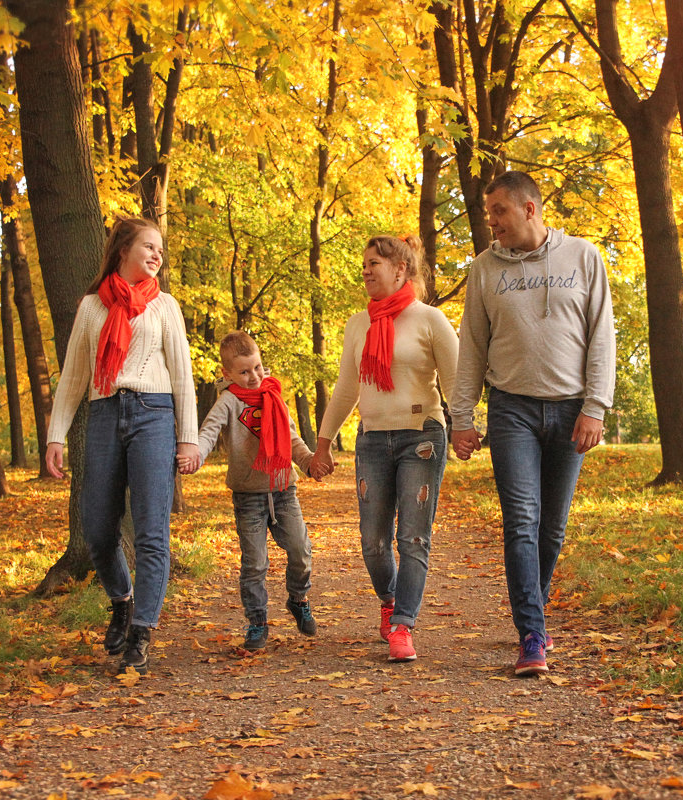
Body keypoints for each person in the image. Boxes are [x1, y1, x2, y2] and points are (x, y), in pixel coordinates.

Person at [449, 171, 616, 676]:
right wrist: (462, 416)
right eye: (488, 213)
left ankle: (532, 609)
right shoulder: (484, 269)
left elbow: (601, 336)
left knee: (552, 528)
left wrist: (595, 406)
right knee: (522, 518)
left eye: (498, 211)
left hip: (570, 411)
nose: (491, 221)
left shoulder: (584, 257)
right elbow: (472, 346)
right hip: (511, 409)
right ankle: (532, 634)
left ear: (528, 209)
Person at [45, 217, 198, 675]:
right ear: (123, 251)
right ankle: (122, 601)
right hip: (105, 413)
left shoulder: (165, 306)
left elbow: (183, 375)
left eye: (160, 250)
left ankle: (142, 632)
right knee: (97, 529)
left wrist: (188, 438)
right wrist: (56, 434)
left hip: (154, 416)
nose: (157, 255)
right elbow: (73, 376)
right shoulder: (92, 306)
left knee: (152, 531)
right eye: (149, 247)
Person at [308, 235, 458, 663]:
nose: (367, 271)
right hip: (372, 439)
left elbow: (456, 384)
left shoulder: (430, 320)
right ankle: (390, 600)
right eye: (364, 265)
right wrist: (323, 443)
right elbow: (346, 388)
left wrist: (466, 426)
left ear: (401, 270)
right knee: (373, 542)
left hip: (422, 436)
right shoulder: (359, 324)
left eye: (375, 263)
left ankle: (402, 625)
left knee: (412, 537)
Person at [187, 331, 317, 651]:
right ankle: (257, 622)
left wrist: (309, 463)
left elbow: (292, 439)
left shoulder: (274, 395)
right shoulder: (228, 402)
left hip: (283, 489)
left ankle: (297, 599)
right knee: (255, 563)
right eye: (244, 372)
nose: (254, 376)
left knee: (301, 550)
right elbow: (208, 432)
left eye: (257, 367)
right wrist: (197, 455)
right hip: (248, 496)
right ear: (227, 373)